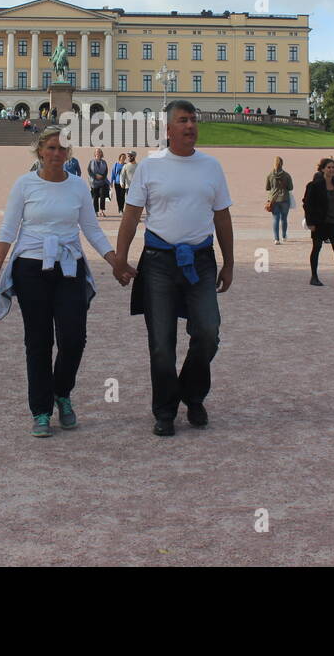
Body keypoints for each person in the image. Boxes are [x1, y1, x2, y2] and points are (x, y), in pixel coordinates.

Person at [0, 127, 123, 438]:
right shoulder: (24, 185)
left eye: (62, 149)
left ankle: (62, 392)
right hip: (30, 268)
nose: (57, 153)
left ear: (68, 153)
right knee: (38, 342)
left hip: (69, 268)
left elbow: (92, 230)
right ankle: (41, 411)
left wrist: (115, 262)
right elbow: (7, 230)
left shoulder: (77, 187)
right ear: (40, 151)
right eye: (51, 148)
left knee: (74, 338)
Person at [113, 100, 234, 437]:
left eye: (193, 120)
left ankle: (192, 393)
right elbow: (132, 215)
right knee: (161, 343)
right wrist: (120, 259)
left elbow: (222, 216)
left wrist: (230, 262)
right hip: (158, 261)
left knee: (208, 333)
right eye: (182, 120)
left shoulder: (211, 166)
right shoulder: (151, 167)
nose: (190, 125)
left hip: (201, 260)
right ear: (168, 129)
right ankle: (165, 410)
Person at [302, 158, 334, 287]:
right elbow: (307, 204)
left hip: (333, 222)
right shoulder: (314, 185)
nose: (331, 170)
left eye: (333, 167)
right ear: (323, 169)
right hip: (319, 223)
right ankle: (314, 277)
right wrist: (310, 222)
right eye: (328, 167)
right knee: (317, 248)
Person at [265, 156, 294, 244]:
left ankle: (276, 239)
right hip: (284, 198)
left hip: (274, 200)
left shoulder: (270, 175)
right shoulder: (287, 175)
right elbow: (290, 187)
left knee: (275, 219)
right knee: (284, 218)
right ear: (282, 164)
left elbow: (267, 188)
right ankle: (284, 236)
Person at [87, 148, 111, 218]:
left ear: (101, 153)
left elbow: (106, 171)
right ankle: (96, 212)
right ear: (95, 153)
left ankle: (102, 211)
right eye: (97, 152)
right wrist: (95, 176)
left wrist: (102, 177)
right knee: (95, 197)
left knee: (102, 196)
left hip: (102, 182)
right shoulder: (91, 162)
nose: (98, 153)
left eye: (99, 152)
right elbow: (89, 171)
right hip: (94, 182)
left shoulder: (104, 162)